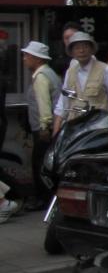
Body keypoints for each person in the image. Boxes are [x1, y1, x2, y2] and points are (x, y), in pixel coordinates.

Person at [52, 32, 108, 137]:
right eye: (77, 48)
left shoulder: (105, 70)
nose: (81, 51)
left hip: (99, 130)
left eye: (85, 47)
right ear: (72, 52)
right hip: (74, 131)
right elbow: (62, 104)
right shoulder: (70, 72)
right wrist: (56, 132)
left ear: (91, 49)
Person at [21, 41, 59, 213]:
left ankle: (43, 199)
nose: (24, 59)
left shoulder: (41, 76)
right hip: (50, 127)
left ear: (37, 59)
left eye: (27, 56)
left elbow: (44, 104)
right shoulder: (49, 73)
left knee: (40, 164)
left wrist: (44, 125)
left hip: (44, 129)